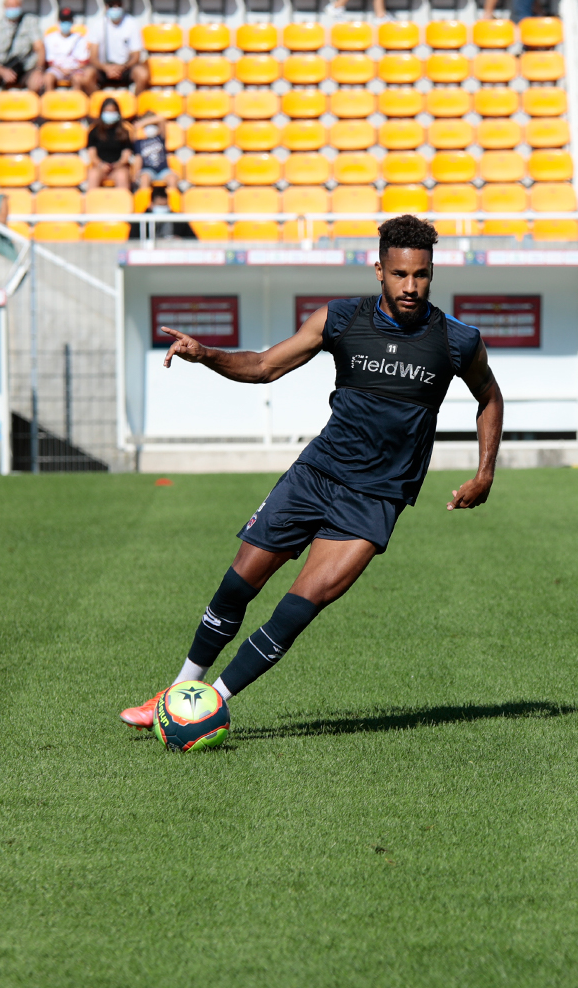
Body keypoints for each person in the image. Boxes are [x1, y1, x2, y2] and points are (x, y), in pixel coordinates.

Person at [118, 215, 503, 724]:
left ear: (431, 273)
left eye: (422, 275)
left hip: (376, 499)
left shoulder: (456, 340)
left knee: (299, 606)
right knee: (238, 585)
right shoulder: (339, 319)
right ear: (378, 271)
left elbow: (489, 396)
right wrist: (205, 354)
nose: (410, 287)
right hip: (315, 475)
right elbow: (263, 367)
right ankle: (176, 693)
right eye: (399, 274)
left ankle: (206, 706)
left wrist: (485, 473)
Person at [0, 0, 45, 126]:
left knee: (37, 81)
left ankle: (31, 116)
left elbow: (40, 48)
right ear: (4, 7)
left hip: (26, 68)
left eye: (15, 6)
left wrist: (39, 69)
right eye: (9, 6)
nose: (12, 9)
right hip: (5, 68)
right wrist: (1, 70)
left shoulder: (30, 22)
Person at [93, 0, 148, 93]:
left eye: (118, 5)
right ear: (106, 7)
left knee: (142, 75)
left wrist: (123, 67)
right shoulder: (98, 25)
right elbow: (93, 56)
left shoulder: (132, 23)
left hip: (126, 67)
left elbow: (136, 55)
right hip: (103, 68)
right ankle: (96, 104)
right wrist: (106, 68)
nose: (115, 8)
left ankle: (135, 106)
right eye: (111, 5)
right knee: (86, 76)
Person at [42, 6, 97, 92]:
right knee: (48, 78)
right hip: (57, 69)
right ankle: (49, 102)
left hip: (75, 69)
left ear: (72, 22)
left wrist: (71, 70)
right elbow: (50, 62)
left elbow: (83, 62)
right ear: (58, 22)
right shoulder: (50, 38)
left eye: (68, 20)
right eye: (63, 21)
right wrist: (62, 70)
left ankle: (77, 103)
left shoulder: (79, 38)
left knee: (78, 79)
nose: (66, 23)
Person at [85, 97, 132, 192]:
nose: (110, 114)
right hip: (100, 167)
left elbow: (126, 154)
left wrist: (118, 165)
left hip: (118, 167)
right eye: (107, 112)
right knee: (93, 174)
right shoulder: (94, 131)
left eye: (112, 112)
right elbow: (92, 154)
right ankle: (90, 204)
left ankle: (123, 205)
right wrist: (101, 165)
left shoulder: (124, 132)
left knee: (122, 176)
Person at [128, 111, 175, 196]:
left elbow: (161, 119)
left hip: (163, 170)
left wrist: (142, 122)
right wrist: (135, 174)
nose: (150, 128)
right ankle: (143, 204)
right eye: (148, 126)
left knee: (172, 179)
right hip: (147, 170)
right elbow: (138, 158)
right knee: (144, 179)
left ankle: (174, 205)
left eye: (153, 125)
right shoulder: (139, 142)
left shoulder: (160, 137)